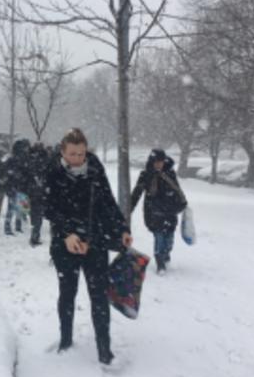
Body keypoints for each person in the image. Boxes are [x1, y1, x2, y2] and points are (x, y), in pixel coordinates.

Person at [45, 128, 132, 364]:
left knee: (99, 296)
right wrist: (66, 234)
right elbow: (48, 207)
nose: (77, 159)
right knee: (67, 293)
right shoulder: (52, 171)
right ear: (63, 151)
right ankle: (65, 338)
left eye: (81, 154)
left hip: (95, 242)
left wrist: (122, 229)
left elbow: (108, 202)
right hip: (65, 246)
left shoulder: (94, 169)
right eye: (72, 154)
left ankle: (104, 348)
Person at [130, 148, 187, 273]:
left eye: (160, 161)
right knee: (159, 238)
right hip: (154, 213)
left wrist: (182, 204)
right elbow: (136, 193)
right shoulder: (146, 175)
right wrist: (128, 209)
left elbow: (177, 189)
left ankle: (166, 255)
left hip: (170, 213)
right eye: (156, 161)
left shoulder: (170, 173)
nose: (158, 164)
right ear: (151, 161)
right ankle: (160, 263)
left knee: (169, 240)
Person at [26, 142, 51, 246]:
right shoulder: (44, 161)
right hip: (39, 193)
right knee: (38, 216)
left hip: (32, 192)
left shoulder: (30, 160)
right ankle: (35, 237)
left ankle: (34, 234)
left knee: (34, 214)